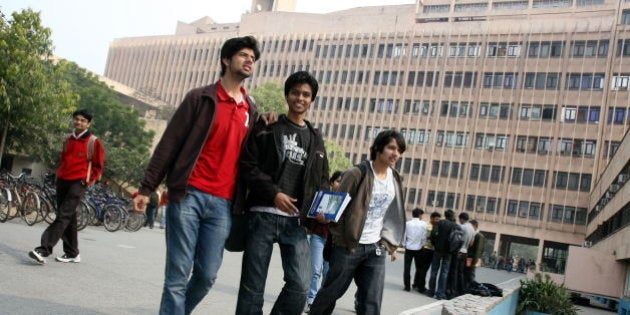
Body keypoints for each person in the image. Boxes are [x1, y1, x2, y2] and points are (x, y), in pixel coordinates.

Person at [132, 36, 272, 315]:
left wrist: (268, 126)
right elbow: (169, 144)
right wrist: (146, 188)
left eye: (253, 58)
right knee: (178, 275)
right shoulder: (201, 98)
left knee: (207, 275)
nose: (249, 61)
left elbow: (254, 155)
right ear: (226, 60)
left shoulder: (250, 109)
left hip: (223, 204)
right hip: (188, 195)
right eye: (243, 55)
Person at [235, 71, 330, 314]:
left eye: (306, 94)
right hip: (261, 215)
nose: (300, 97)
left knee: (301, 285)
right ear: (287, 95)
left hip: (296, 222)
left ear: (312, 100)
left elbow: (322, 180)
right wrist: (274, 193)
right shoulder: (269, 126)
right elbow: (248, 165)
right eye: (295, 92)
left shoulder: (316, 139)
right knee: (252, 289)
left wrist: (322, 211)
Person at [310, 130, 407, 315]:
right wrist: (335, 231)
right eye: (391, 148)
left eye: (400, 150)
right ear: (378, 148)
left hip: (376, 247)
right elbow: (337, 205)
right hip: (348, 246)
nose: (396, 153)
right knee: (330, 294)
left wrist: (388, 242)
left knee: (371, 302)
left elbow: (393, 212)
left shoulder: (395, 178)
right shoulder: (357, 173)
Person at [29, 109, 105, 264]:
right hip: (63, 180)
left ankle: (44, 249)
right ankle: (72, 253)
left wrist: (87, 181)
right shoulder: (67, 139)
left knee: (63, 215)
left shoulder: (93, 142)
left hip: (79, 182)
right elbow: (63, 159)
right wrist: (58, 175)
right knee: (69, 217)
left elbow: (99, 166)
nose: (79, 122)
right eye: (77, 119)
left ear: (88, 124)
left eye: (83, 120)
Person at [305, 171, 342, 312]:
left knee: (328, 275)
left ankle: (321, 303)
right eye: (337, 181)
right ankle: (311, 300)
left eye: (342, 182)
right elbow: (312, 212)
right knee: (315, 270)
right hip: (318, 236)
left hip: (333, 242)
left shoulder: (346, 200)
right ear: (332, 182)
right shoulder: (323, 196)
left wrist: (331, 220)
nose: (339, 184)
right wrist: (319, 218)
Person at [426, 209, 457, 300]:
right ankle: (440, 293)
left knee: (434, 270)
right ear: (452, 216)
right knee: (444, 272)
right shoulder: (454, 225)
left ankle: (431, 291)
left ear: (445, 215)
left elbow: (433, 234)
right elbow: (457, 238)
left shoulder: (439, 223)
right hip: (448, 252)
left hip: (438, 250)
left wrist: (435, 244)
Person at [447, 212, 475, 298]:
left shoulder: (462, 227)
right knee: (461, 272)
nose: (459, 221)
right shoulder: (472, 229)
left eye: (460, 219)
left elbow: (457, 240)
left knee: (454, 272)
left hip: (459, 251)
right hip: (465, 252)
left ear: (462, 219)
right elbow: (471, 243)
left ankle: (452, 290)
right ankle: (460, 290)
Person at [415, 211, 441, 293]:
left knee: (421, 268)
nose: (437, 221)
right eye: (436, 219)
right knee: (423, 269)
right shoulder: (427, 226)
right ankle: (421, 287)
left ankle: (416, 283)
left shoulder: (437, 227)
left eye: (438, 219)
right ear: (431, 218)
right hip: (426, 249)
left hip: (431, 250)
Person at [402, 208, 427, 292]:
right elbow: (424, 237)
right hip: (419, 248)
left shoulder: (408, 223)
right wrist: (422, 244)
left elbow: (404, 235)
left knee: (407, 267)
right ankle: (418, 285)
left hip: (409, 247)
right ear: (420, 215)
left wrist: (404, 245)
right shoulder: (423, 224)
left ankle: (407, 286)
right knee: (419, 268)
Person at [464, 220, 486, 289]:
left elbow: (478, 250)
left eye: (470, 226)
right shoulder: (473, 234)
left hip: (473, 259)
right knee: (467, 273)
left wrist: (475, 262)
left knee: (471, 274)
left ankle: (470, 289)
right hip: (469, 258)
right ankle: (466, 288)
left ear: (475, 226)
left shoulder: (479, 236)